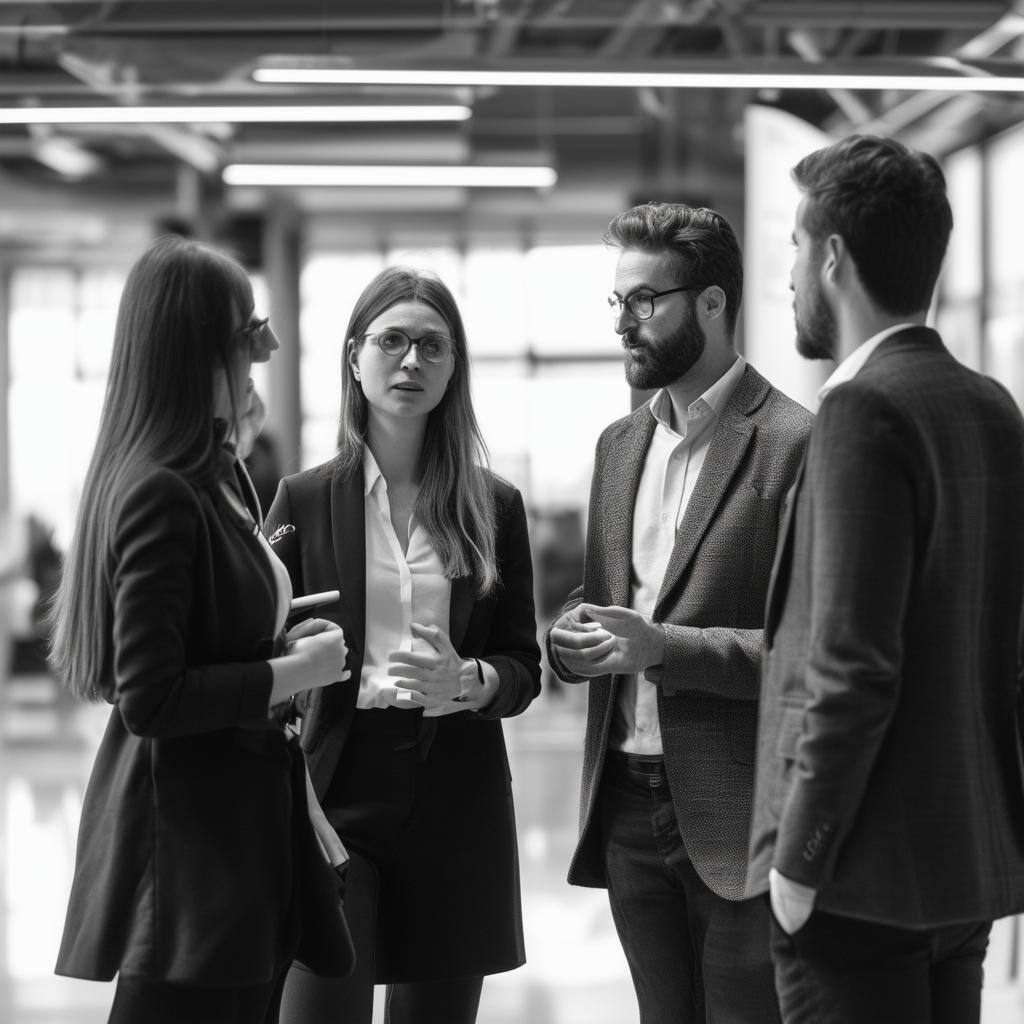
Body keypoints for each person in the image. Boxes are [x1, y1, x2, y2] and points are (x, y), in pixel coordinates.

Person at [745, 134, 1024, 1024]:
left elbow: (852, 666)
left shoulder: (862, 410)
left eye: (793, 244)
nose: (785, 271)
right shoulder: (990, 405)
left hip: (857, 876)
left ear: (831, 257)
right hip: (961, 867)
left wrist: (799, 860)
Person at [50, 234, 352, 1024]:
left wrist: (278, 646)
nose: (261, 353)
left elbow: (207, 639)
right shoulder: (160, 491)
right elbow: (152, 698)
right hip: (192, 857)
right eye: (244, 334)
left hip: (234, 840)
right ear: (199, 348)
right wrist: (296, 673)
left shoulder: (209, 476)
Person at [547, 202, 812, 1024]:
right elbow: (601, 605)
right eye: (617, 302)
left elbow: (803, 654)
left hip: (737, 816)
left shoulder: (793, 442)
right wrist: (565, 640)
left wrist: (663, 647)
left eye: (645, 301)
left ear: (711, 304)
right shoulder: (617, 446)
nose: (625, 323)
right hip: (624, 801)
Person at [266, 266, 542, 1024]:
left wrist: (475, 679)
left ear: (455, 368)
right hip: (335, 784)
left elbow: (526, 663)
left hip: (455, 793)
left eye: (432, 346)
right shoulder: (304, 500)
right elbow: (256, 648)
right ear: (355, 356)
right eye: (392, 341)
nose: (411, 362)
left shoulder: (493, 505)